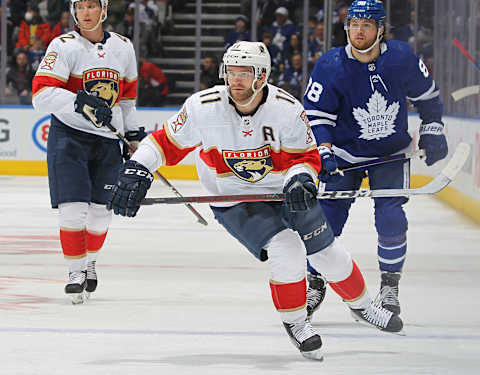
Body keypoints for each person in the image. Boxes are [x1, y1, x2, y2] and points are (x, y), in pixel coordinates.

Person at [107, 41, 403, 360]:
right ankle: (296, 323)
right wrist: (139, 167)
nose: (235, 80)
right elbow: (164, 143)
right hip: (234, 198)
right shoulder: (202, 107)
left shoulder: (286, 109)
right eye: (230, 72)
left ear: (261, 76)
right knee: (286, 248)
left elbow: (304, 157)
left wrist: (300, 179)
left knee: (327, 252)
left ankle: (361, 306)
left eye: (244, 73)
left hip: (285, 190)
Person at [303, 0, 448, 320]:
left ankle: (389, 286)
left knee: (391, 217)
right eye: (354, 24)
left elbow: (428, 95)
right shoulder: (330, 65)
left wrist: (433, 128)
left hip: (390, 155)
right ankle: (314, 281)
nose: (358, 31)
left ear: (381, 30)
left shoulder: (401, 58)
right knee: (325, 220)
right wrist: (324, 150)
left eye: (366, 25)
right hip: (344, 155)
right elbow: (316, 114)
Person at [31, 0, 146, 305]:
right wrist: (79, 102)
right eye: (79, 6)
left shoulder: (123, 47)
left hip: (108, 141)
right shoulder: (64, 45)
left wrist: (133, 134)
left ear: (104, 10)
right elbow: (41, 94)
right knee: (73, 208)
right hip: (69, 138)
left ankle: (89, 261)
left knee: (100, 212)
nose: (85, 12)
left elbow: (127, 99)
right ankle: (74, 272)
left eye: (91, 6)